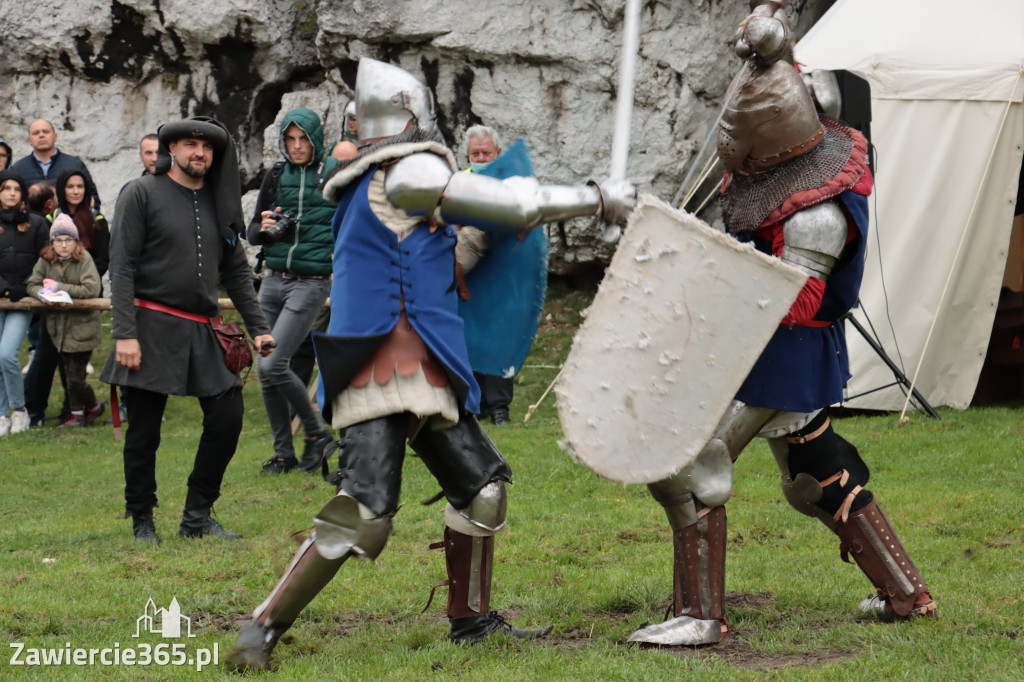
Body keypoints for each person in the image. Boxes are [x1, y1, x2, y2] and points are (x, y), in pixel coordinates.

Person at [225, 57, 635, 671]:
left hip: (423, 363)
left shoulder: (382, 178)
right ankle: (260, 629)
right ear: (415, 113)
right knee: (364, 515)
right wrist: (596, 199)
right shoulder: (405, 172)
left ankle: (471, 623)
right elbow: (508, 204)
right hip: (382, 365)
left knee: (483, 491)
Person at [627, 4, 935, 648]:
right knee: (818, 476)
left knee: (688, 464)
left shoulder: (814, 218)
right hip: (777, 350)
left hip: (781, 354)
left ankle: (700, 616)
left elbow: (787, 303)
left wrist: (707, 281)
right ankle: (906, 595)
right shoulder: (802, 138)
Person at [100, 116, 274, 545]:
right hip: (148, 325)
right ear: (171, 150)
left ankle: (197, 514)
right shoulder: (140, 193)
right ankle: (142, 518)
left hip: (202, 329)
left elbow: (236, 273)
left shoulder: (220, 202)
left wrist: (260, 329)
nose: (200, 153)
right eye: (191, 144)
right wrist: (124, 333)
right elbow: (120, 268)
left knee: (228, 417)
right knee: (145, 430)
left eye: (208, 147)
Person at [247, 108, 336, 474]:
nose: (297, 146)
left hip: (312, 282)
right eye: (290, 139)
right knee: (264, 369)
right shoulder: (277, 174)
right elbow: (252, 232)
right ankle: (284, 453)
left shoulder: (331, 174)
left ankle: (316, 434)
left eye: (303, 139)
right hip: (272, 277)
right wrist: (262, 225)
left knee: (273, 362)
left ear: (315, 139)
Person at [458, 125, 549, 425]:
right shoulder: (459, 183)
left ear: (498, 153)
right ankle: (472, 404)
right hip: (471, 273)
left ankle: (498, 408)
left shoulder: (515, 182)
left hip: (504, 272)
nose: (481, 157)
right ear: (467, 156)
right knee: (470, 333)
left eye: (486, 152)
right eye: (475, 153)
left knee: (500, 332)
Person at [25, 169, 110, 426]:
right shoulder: (48, 219)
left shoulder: (96, 218)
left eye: (80, 186)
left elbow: (101, 262)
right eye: (70, 186)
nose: (75, 191)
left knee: (74, 370)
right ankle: (35, 410)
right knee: (47, 358)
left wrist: (69, 283)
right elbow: (39, 272)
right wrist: (45, 291)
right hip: (53, 306)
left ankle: (76, 411)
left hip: (82, 298)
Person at [0, 170, 48, 435]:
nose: (11, 192)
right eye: (5, 188)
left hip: (24, 299)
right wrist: (4, 288)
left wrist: (25, 287)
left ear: (22, 194)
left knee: (6, 354)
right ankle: (1, 415)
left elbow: (45, 259)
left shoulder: (37, 223)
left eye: (16, 188)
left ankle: (19, 410)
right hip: (1, 296)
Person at [10, 120, 101, 208]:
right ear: (29, 140)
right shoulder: (18, 169)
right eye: (36, 133)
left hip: (69, 222)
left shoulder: (75, 165)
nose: (41, 135)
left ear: (55, 137)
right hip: (32, 222)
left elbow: (93, 199)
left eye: (45, 132)